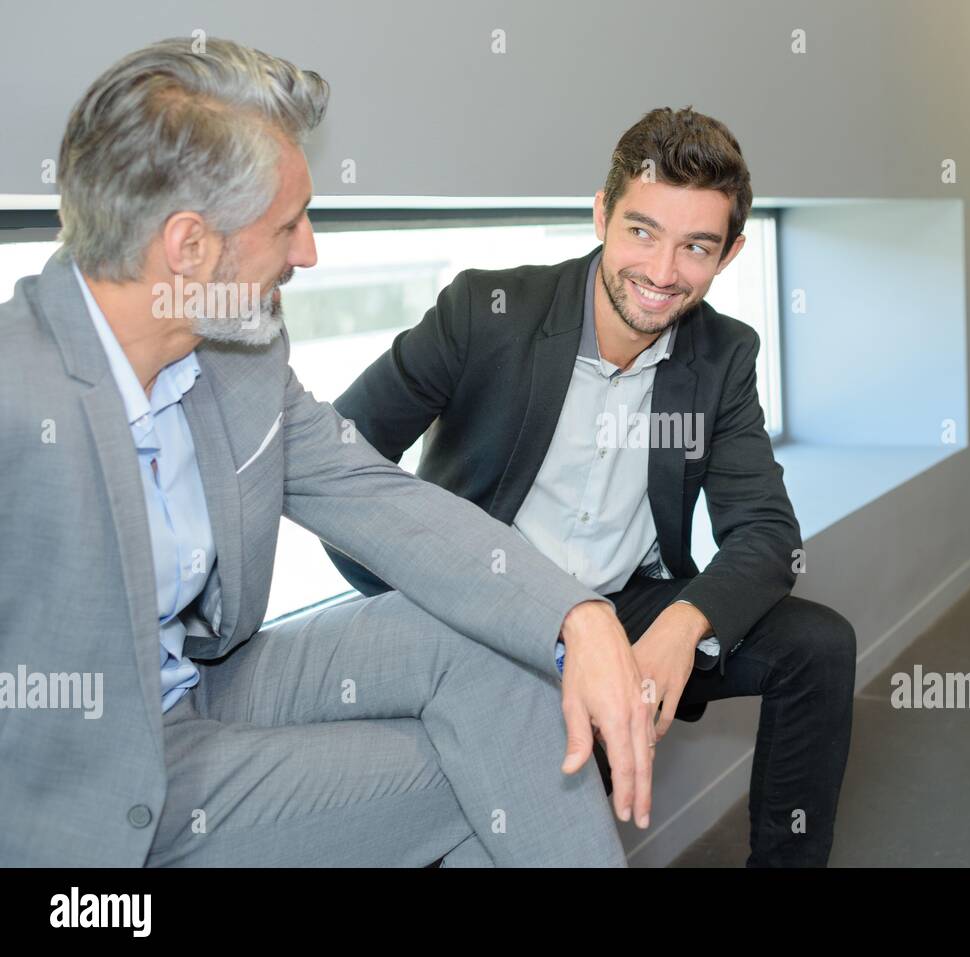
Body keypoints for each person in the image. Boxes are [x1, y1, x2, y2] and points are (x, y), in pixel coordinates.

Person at [0, 37, 656, 868]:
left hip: (207, 681)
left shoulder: (238, 354)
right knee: (493, 772)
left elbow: (372, 494)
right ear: (189, 246)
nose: (308, 251)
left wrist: (577, 613)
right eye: (288, 224)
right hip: (87, 789)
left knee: (500, 653)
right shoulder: (17, 396)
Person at [327, 107, 858, 867]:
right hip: (487, 605)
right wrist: (423, 606)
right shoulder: (486, 312)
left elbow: (769, 536)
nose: (663, 272)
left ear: (731, 253)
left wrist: (683, 627)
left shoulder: (723, 354)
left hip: (628, 606)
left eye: (696, 247)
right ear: (602, 213)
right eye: (642, 231)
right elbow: (338, 466)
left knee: (818, 646)